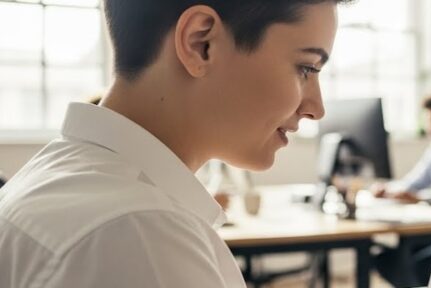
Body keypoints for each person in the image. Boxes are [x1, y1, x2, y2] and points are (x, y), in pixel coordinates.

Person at [0, 1, 343, 286]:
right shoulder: (139, 235)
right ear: (200, 43)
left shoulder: (53, 178)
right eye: (305, 68)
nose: (316, 108)